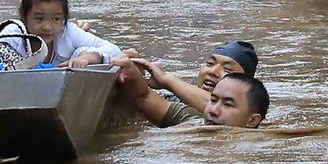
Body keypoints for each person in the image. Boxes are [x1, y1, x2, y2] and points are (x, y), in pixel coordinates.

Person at [0, 0, 122, 68]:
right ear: (23, 15)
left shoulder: (68, 32)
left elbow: (115, 50)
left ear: (64, 18)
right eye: (39, 18)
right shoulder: (11, 36)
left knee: (83, 51)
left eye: (56, 19)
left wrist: (89, 57)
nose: (47, 27)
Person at [111, 56, 268, 129]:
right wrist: (129, 68)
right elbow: (142, 96)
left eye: (227, 104)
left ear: (252, 121)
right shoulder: (190, 121)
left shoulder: (265, 141)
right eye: (213, 100)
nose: (213, 110)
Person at [131, 40, 258, 116]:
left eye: (228, 70)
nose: (213, 71)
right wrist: (136, 79)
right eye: (209, 64)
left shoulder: (247, 117)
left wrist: (165, 79)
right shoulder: (173, 100)